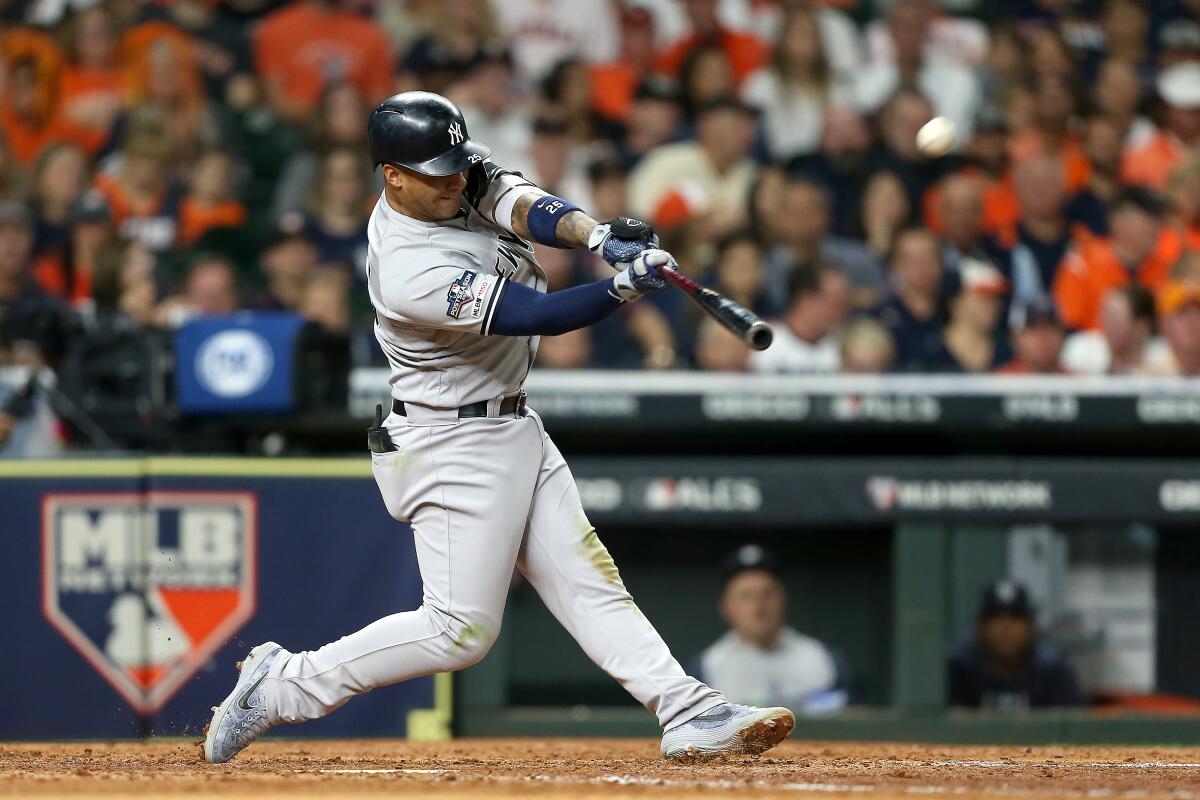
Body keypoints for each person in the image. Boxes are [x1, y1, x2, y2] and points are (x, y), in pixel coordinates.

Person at [202, 91, 794, 765]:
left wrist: (596, 236)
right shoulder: (406, 268)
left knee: (587, 579)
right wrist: (622, 287)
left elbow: (522, 203)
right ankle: (281, 688)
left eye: (457, 164)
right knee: (460, 630)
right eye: (436, 171)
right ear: (392, 175)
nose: (456, 179)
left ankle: (688, 709)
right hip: (450, 443)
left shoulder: (450, 180)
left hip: (508, 421)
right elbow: (532, 314)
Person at [695, 544, 848, 715]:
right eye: (746, 597)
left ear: (782, 600)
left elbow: (856, 720)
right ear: (727, 607)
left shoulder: (822, 657)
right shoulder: (706, 667)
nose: (758, 607)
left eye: (766, 595)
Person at [947, 580, 1085, 709]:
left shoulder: (1054, 669)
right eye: (995, 619)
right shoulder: (959, 667)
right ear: (980, 627)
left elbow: (1072, 725)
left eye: (1015, 618)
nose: (1005, 629)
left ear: (1031, 627)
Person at [1053, 188, 1171, 331]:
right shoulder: (1081, 265)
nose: (1157, 228)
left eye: (1159, 221)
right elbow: (1068, 325)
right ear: (1118, 221)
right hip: (1092, 347)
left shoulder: (1166, 269)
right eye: (1149, 219)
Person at [873, 226, 948, 371]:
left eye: (929, 258)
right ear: (894, 266)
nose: (922, 267)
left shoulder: (956, 314)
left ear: (941, 263)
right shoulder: (878, 319)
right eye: (912, 260)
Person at [750, 262, 847, 374]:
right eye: (835, 302)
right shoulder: (762, 338)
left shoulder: (842, 346)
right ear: (805, 299)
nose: (842, 310)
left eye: (844, 302)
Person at [1061, 284, 1170, 375]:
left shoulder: (1165, 360)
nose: (1107, 326)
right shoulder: (1080, 352)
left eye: (1116, 320)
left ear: (1142, 326)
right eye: (1105, 317)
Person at [926, 259, 1011, 373]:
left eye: (996, 298)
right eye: (983, 297)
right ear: (955, 302)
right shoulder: (929, 352)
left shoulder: (1008, 353)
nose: (993, 305)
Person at [995, 297, 1069, 375]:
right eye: (1032, 327)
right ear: (1014, 337)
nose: (1043, 336)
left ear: (1063, 334)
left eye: (1050, 326)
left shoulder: (1077, 382)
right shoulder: (997, 383)